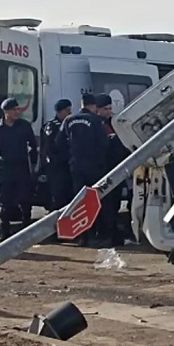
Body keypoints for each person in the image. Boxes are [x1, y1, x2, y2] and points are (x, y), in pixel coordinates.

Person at [57, 93, 110, 246]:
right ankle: (98, 233)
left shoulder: (69, 119)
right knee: (96, 199)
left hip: (76, 167)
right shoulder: (95, 120)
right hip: (95, 167)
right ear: (93, 106)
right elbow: (104, 144)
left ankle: (82, 236)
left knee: (79, 201)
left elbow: (58, 143)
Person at [0, 98, 38, 239]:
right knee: (4, 201)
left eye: (17, 109)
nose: (17, 112)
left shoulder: (24, 126)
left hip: (21, 167)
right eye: (14, 109)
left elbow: (32, 144)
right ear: (6, 111)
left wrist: (34, 163)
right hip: (4, 168)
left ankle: (26, 230)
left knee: (25, 199)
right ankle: (5, 232)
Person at [95, 94, 127, 245]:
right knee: (104, 204)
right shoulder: (96, 124)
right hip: (103, 170)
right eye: (105, 109)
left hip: (117, 168)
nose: (109, 112)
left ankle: (113, 232)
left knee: (115, 203)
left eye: (110, 108)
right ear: (97, 109)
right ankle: (104, 233)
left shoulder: (114, 123)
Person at [42, 99, 73, 212]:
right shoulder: (52, 126)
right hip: (56, 167)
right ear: (59, 112)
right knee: (58, 197)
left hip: (67, 165)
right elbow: (50, 147)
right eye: (67, 111)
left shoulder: (69, 124)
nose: (70, 113)